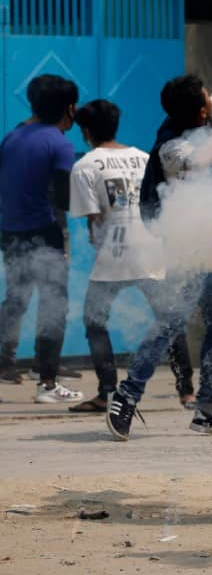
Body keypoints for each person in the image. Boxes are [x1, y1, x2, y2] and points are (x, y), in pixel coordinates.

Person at [105, 51, 212, 439]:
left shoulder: (203, 115)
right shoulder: (171, 147)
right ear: (198, 114)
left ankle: (207, 410)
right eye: (206, 101)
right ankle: (125, 398)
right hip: (184, 249)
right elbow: (198, 162)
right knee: (171, 323)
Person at [64, 100, 194, 413]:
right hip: (152, 247)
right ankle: (187, 391)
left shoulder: (85, 166)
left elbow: (93, 220)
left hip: (115, 252)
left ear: (85, 131)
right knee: (169, 320)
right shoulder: (144, 157)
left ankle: (107, 390)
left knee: (94, 321)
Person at [0, 75, 84, 403]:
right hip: (44, 232)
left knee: (16, 299)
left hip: (10, 232)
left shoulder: (11, 137)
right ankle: (47, 382)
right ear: (69, 108)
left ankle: (6, 363)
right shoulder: (59, 142)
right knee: (54, 304)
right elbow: (64, 200)